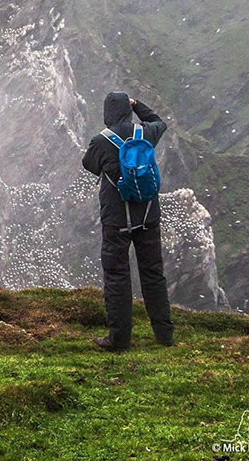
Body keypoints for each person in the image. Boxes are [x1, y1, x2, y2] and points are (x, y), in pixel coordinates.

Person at [82, 92, 175, 351]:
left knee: (117, 277)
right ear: (128, 109)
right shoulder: (145, 133)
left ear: (107, 113)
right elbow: (160, 122)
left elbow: (89, 164)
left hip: (117, 221)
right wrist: (138, 106)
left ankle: (119, 339)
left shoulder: (101, 141)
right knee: (153, 274)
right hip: (148, 217)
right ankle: (164, 335)